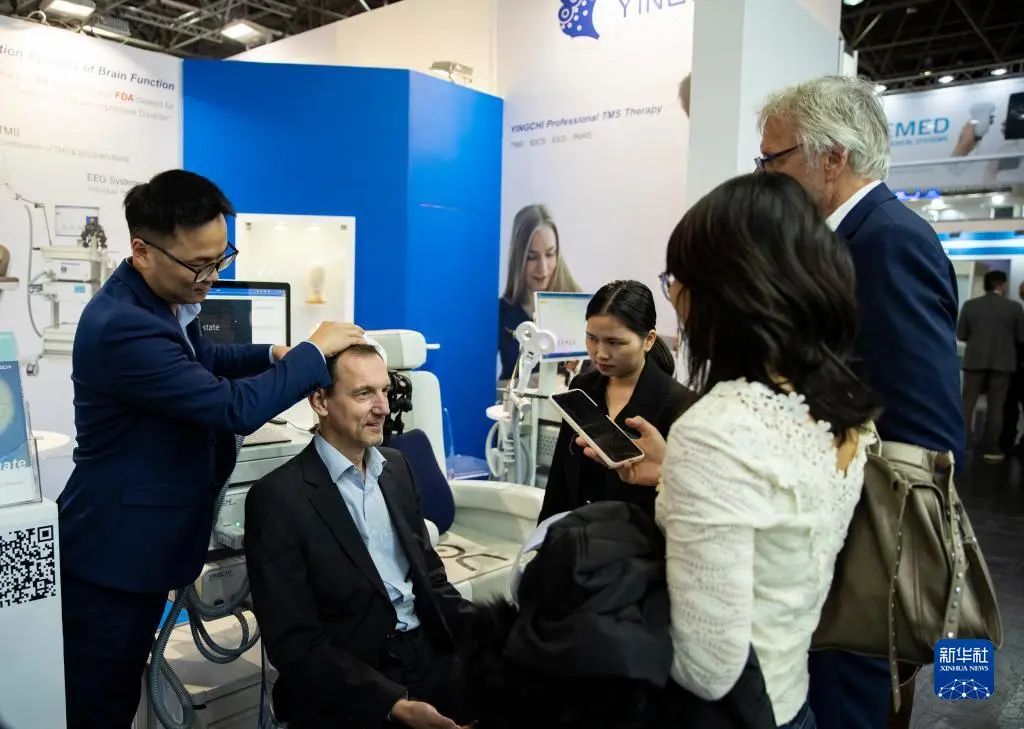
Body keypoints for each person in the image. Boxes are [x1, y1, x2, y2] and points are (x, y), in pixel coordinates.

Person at [57, 169, 365, 729]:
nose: (213, 276)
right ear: (142, 251)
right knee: (101, 702)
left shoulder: (163, 302)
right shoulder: (123, 325)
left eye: (221, 258)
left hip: (143, 543)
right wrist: (311, 353)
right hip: (113, 555)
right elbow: (232, 408)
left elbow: (205, 360)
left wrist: (272, 353)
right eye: (199, 265)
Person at [581, 173, 880, 729]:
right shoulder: (842, 407)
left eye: (677, 279)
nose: (674, 295)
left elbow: (708, 668)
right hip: (792, 698)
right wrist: (673, 474)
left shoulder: (717, 428)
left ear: (725, 291)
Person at [757, 75, 964, 729]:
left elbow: (924, 425)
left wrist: (878, 546)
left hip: (865, 539)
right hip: (839, 530)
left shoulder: (887, 241)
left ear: (831, 158)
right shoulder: (847, 241)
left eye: (773, 159)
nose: (764, 176)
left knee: (850, 700)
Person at [246, 343, 476, 729]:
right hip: (352, 678)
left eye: (385, 390)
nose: (383, 407)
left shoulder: (397, 469)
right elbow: (295, 642)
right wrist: (394, 704)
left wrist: (500, 636)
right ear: (320, 401)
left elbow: (432, 581)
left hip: (427, 653)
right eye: (364, 393)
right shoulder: (278, 499)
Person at [537, 280, 695, 522]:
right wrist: (546, 535)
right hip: (576, 534)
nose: (600, 353)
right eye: (592, 338)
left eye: (614, 343)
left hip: (638, 541)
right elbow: (559, 480)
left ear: (649, 340)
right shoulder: (582, 387)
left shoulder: (679, 405)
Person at [498, 204, 580, 380]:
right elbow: (481, 385)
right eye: (532, 257)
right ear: (518, 257)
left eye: (550, 254)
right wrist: (521, 384)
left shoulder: (578, 308)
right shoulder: (501, 313)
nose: (543, 268)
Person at [958, 270, 1024, 462]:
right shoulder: (1014, 308)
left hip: (974, 362)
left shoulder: (970, 305)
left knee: (967, 405)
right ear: (1001, 285)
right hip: (1002, 364)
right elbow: (1021, 337)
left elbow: (961, 335)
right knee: (996, 407)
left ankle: (961, 444)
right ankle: (992, 448)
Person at [1000, 280, 1024, 451]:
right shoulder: (1017, 311)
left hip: (1016, 366)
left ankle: (1008, 440)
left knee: (1011, 406)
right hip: (1017, 366)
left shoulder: (1017, 311)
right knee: (1011, 406)